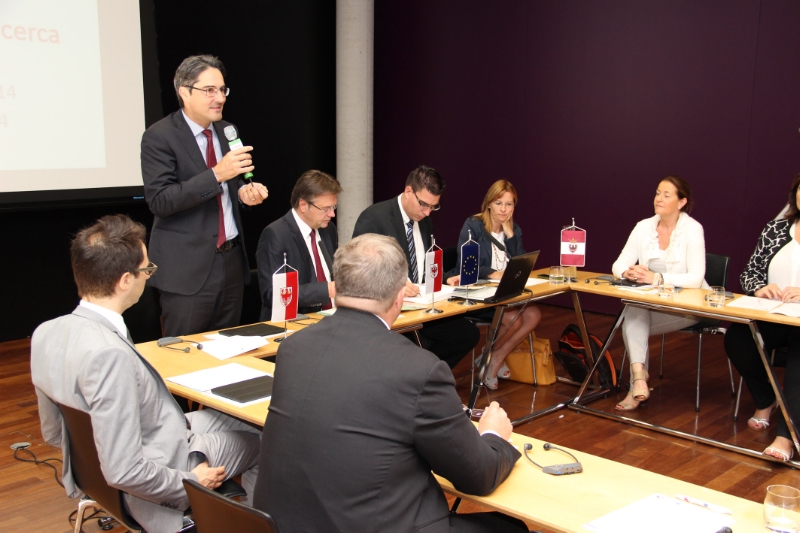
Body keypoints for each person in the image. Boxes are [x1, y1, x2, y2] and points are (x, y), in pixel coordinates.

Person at [253, 234, 527, 533]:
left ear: (337, 286)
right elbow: (479, 476)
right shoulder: (419, 369)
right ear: (399, 297)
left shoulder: (293, 348)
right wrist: (494, 436)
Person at [30, 215, 260, 533]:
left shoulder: (47, 331)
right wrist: (190, 481)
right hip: (163, 469)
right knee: (269, 441)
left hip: (149, 441)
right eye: (147, 268)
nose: (150, 275)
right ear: (125, 280)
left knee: (249, 419)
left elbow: (55, 433)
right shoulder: (108, 354)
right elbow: (124, 470)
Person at [141, 54, 269, 337]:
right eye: (209, 90)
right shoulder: (159, 136)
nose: (219, 98)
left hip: (231, 263)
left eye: (222, 90)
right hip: (187, 270)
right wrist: (216, 174)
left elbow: (229, 188)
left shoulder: (227, 130)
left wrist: (244, 194)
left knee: (228, 350)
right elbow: (161, 200)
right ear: (184, 92)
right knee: (184, 354)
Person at [352, 165, 479, 368]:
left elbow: (423, 267)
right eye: (423, 204)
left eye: (433, 207)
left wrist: (445, 278)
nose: (427, 212)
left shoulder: (424, 222)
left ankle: (424, 376)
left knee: (467, 334)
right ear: (408, 191)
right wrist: (396, 284)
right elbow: (359, 272)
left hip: (422, 306)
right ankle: (419, 375)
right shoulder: (375, 218)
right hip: (390, 311)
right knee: (412, 352)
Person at [611, 176, 707, 411]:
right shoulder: (644, 226)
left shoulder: (693, 229)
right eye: (657, 193)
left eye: (666, 195)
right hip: (651, 303)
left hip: (687, 307)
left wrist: (657, 278)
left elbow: (695, 278)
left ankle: (636, 385)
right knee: (634, 309)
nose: (659, 199)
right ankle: (639, 378)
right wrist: (628, 272)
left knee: (631, 321)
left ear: (681, 202)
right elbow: (618, 264)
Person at [725, 173, 800, 462]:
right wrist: (759, 287)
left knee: (798, 358)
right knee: (738, 339)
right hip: (774, 314)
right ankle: (767, 399)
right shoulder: (776, 229)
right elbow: (750, 272)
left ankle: (786, 436)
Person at [446, 180, 542, 389]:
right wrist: (492, 273)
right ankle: (491, 360)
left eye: (509, 204)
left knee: (534, 315)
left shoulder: (514, 229)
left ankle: (493, 357)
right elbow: (465, 265)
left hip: (505, 293)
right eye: (499, 203)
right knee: (513, 319)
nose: (503, 209)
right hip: (479, 293)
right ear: (489, 203)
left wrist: (510, 235)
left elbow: (521, 263)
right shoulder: (473, 225)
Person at [256, 170, 342, 320]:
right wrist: (325, 290)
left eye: (333, 207)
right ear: (303, 205)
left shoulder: (328, 229)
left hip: (332, 318)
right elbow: (273, 294)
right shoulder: (276, 234)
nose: (332, 214)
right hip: (294, 321)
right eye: (325, 209)